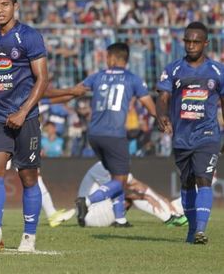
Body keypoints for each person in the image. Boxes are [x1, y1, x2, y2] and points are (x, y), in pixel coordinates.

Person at [45, 42, 158, 227]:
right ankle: (87, 201)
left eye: (106, 57)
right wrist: (162, 119)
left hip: (95, 135)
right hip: (115, 135)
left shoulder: (96, 77)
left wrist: (46, 100)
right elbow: (149, 105)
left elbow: (73, 93)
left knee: (115, 175)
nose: (106, 60)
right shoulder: (133, 79)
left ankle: (120, 219)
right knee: (121, 180)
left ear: (113, 58)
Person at [0, 0, 49, 253]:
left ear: (15, 6)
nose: (0, 10)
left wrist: (22, 111)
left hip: (25, 117)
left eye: (5, 4)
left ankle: (29, 237)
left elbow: (42, 80)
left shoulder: (29, 36)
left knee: (28, 177)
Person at [156, 21, 223, 245]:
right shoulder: (173, 69)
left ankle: (201, 231)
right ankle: (192, 230)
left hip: (208, 134)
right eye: (187, 41)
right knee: (187, 182)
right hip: (182, 136)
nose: (191, 45)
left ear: (205, 43)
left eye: (196, 41)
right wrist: (162, 115)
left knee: (204, 178)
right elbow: (163, 98)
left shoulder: (217, 71)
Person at [78, 161, 187, 227]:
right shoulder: (101, 167)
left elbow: (138, 185)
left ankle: (174, 211)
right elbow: (120, 193)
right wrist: (146, 197)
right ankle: (169, 218)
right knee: (132, 198)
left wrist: (162, 200)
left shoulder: (113, 164)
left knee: (140, 195)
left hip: (100, 210)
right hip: (90, 216)